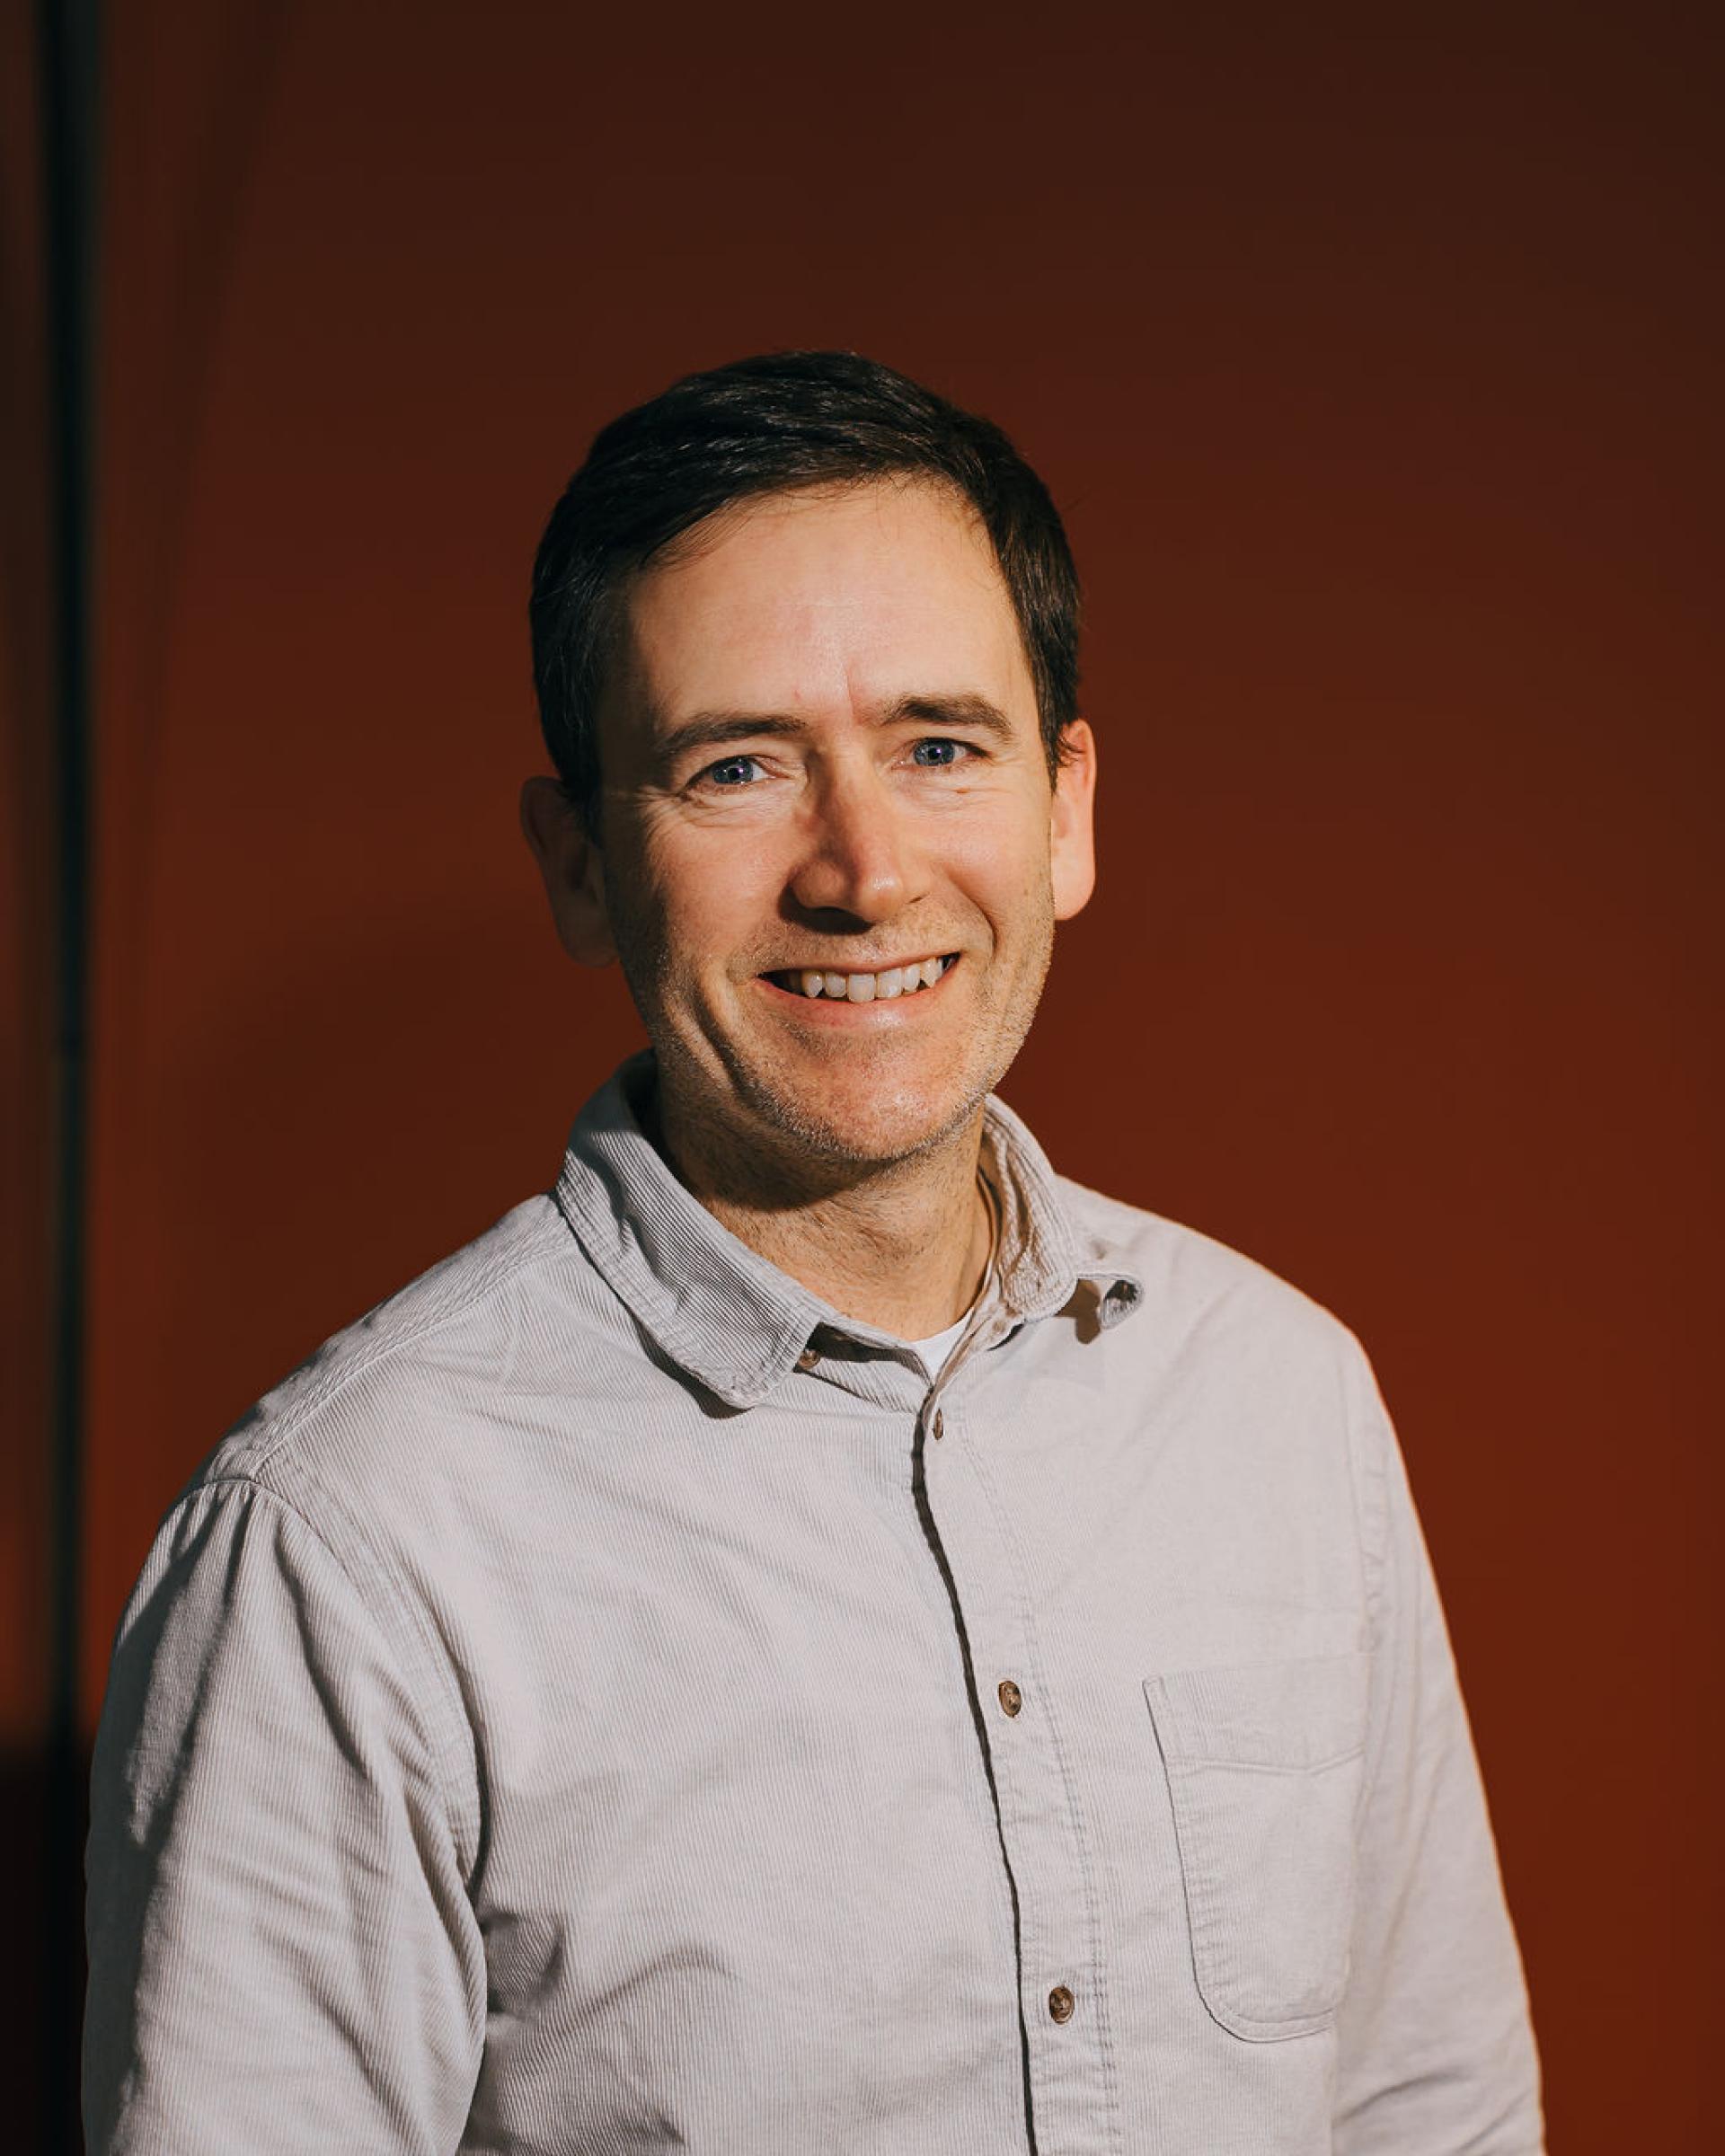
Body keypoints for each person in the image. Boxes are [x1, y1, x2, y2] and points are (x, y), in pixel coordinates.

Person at [84, 350, 1544, 2154]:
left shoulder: (1280, 1396)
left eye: (940, 749)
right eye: (739, 766)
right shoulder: (344, 1543)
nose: (861, 869)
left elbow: (1435, 2111)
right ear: (580, 865)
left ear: (1065, 809)